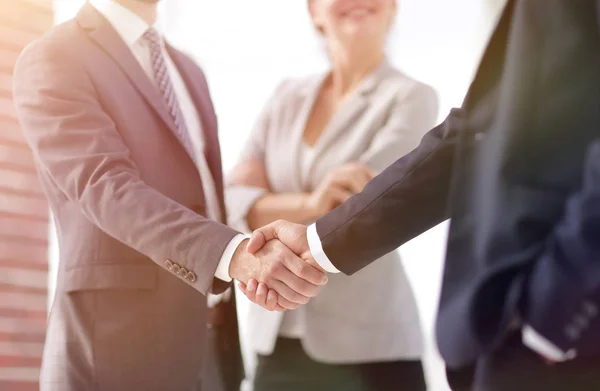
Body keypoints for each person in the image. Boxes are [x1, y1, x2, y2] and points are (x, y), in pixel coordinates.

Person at [241, 1, 600, 390]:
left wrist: (552, 319)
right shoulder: (287, 94)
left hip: (562, 332)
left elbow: (354, 183)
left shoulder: (409, 95)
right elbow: (473, 136)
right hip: (499, 328)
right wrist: (316, 236)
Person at [12, 0, 327, 390]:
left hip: (209, 351)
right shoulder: (55, 55)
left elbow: (206, 199)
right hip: (116, 356)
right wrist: (236, 255)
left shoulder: (188, 69)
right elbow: (106, 188)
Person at [227, 0, 437, 389]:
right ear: (313, 10)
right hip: (277, 338)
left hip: (370, 346)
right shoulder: (286, 97)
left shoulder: (411, 97)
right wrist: (309, 203)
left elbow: (367, 204)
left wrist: (268, 204)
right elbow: (232, 198)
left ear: (392, 7)